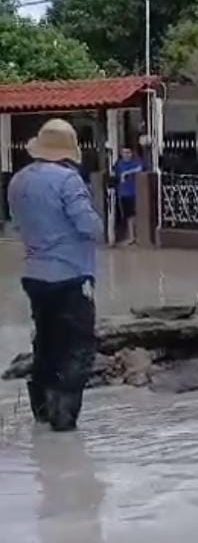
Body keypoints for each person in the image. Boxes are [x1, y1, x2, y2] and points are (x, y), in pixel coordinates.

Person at [7, 119, 104, 431]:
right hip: (71, 275)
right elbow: (89, 227)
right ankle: (64, 423)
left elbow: (17, 224)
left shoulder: (18, 181)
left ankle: (42, 414)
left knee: (46, 344)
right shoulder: (68, 180)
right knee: (78, 348)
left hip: (35, 276)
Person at [112, 147, 143, 246]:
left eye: (129, 152)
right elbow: (116, 174)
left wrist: (127, 173)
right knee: (129, 216)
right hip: (125, 194)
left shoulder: (136, 162)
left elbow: (140, 168)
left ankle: (137, 236)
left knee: (137, 215)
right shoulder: (119, 164)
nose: (127, 154)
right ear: (121, 154)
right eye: (125, 153)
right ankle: (131, 237)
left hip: (136, 192)